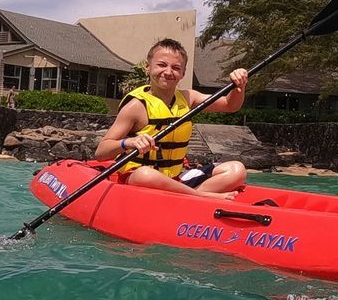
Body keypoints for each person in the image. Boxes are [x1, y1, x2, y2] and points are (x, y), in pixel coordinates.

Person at [95, 39, 250, 196]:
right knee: (145, 175)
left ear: (182, 73)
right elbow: (101, 152)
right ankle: (202, 196)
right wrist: (129, 142)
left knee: (237, 170)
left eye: (176, 68)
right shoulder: (136, 106)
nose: (168, 72)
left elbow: (230, 105)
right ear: (147, 67)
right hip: (142, 179)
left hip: (176, 178)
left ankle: (186, 195)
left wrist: (239, 86)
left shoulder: (189, 97)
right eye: (161, 65)